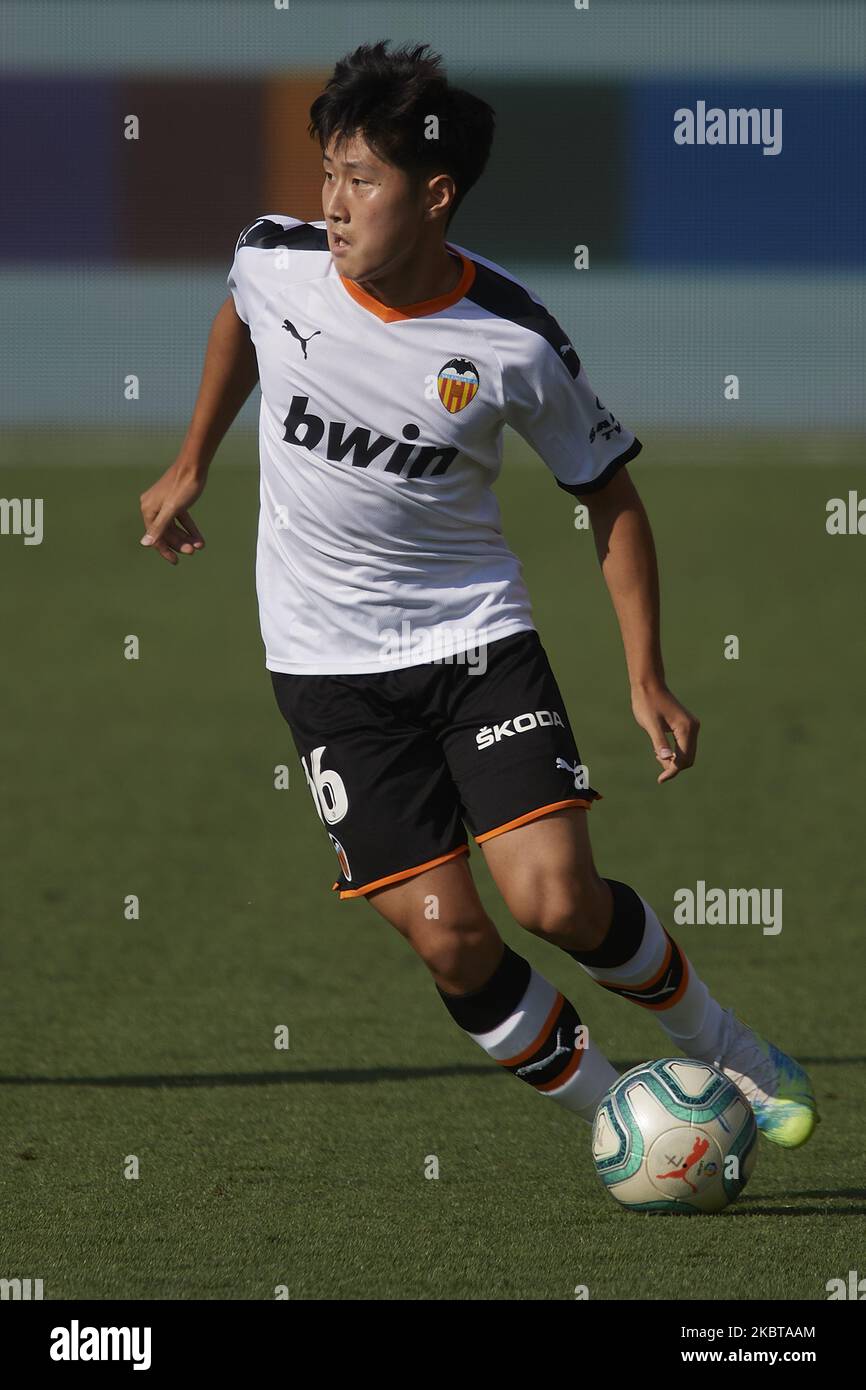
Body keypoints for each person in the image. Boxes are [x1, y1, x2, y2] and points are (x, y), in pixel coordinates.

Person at [139, 40, 817, 1147]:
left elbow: (610, 497)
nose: (334, 203)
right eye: (327, 174)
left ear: (435, 193)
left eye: (362, 180)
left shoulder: (510, 338)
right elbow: (238, 320)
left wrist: (644, 675)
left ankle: (730, 1052)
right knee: (453, 938)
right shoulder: (273, 261)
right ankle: (627, 1125)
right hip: (323, 672)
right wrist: (190, 460)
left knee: (555, 900)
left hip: (471, 643)